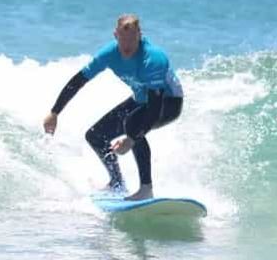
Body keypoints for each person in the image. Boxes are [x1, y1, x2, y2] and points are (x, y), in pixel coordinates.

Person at [43, 14, 184, 201]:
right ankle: (117, 184)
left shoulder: (153, 59)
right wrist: (55, 112)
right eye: (123, 39)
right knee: (95, 135)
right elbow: (79, 81)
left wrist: (131, 139)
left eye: (132, 39)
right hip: (142, 99)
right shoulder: (108, 54)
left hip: (169, 102)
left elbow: (154, 107)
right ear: (115, 35)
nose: (127, 46)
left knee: (133, 124)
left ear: (140, 35)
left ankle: (146, 189)